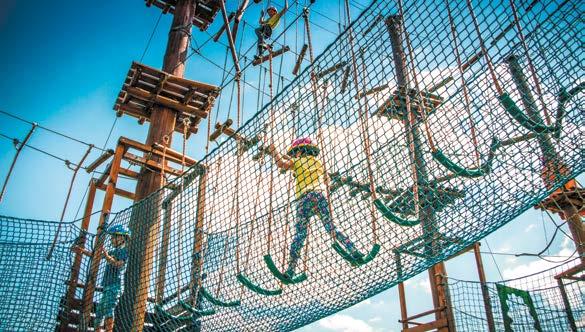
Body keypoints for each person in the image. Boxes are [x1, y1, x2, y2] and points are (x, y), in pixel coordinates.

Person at [268, 137, 364, 280]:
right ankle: (353, 249)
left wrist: (274, 151)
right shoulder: (319, 163)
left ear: (299, 152)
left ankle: (291, 269)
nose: (294, 156)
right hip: (320, 196)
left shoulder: (297, 161)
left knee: (300, 235)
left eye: (295, 154)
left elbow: (281, 164)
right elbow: (326, 180)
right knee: (332, 227)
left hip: (304, 200)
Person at [74, 225, 130, 332]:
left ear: (122, 238)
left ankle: (109, 330)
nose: (112, 239)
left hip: (115, 286)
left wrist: (108, 257)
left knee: (109, 309)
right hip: (107, 286)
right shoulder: (113, 251)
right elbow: (96, 256)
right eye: (112, 237)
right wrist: (82, 251)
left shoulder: (123, 251)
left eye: (114, 237)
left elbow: (119, 264)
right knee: (99, 312)